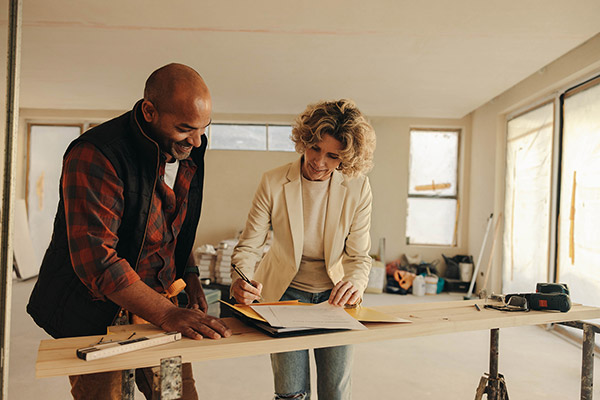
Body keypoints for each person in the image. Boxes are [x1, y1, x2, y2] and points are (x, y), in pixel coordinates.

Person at [27, 63, 232, 400]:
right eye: (185, 128)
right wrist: (167, 314)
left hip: (163, 299)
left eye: (203, 127)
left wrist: (190, 274)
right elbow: (98, 261)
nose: (196, 141)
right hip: (96, 312)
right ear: (150, 111)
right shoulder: (97, 154)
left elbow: (175, 223)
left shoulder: (188, 147)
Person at [231, 99, 376, 400]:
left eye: (332, 156)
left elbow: (359, 256)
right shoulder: (272, 182)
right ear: (304, 140)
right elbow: (249, 245)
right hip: (284, 295)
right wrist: (241, 279)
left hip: (334, 297)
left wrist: (355, 284)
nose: (319, 162)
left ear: (346, 160)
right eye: (314, 148)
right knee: (290, 393)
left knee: (335, 392)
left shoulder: (358, 187)